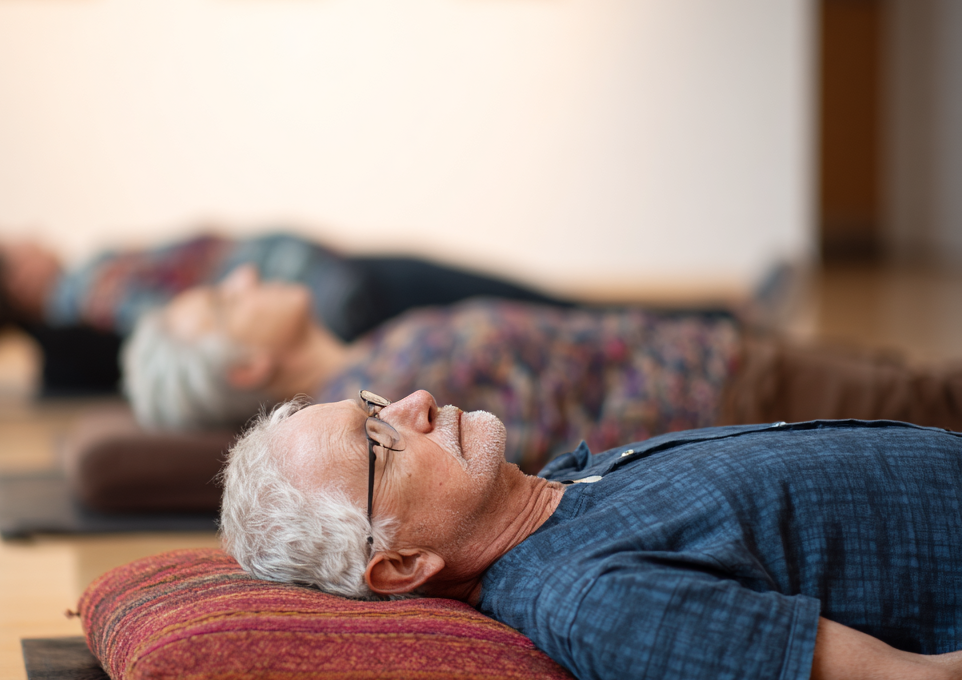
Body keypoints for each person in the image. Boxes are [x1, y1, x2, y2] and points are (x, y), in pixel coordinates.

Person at [219, 390, 962, 680]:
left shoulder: (564, 487)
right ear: (404, 564)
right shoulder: (594, 602)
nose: (417, 401)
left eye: (375, 403)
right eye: (380, 440)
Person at [123, 259, 962, 471]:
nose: (242, 278)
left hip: (716, 356)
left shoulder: (375, 348)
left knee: (917, 382)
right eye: (224, 303)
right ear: (246, 366)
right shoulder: (383, 399)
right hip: (725, 398)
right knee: (934, 399)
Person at [0, 230, 567, 394]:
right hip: (345, 291)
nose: (33, 236)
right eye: (16, 245)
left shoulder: (90, 293)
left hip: (333, 282)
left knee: (539, 317)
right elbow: (186, 335)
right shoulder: (95, 296)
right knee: (543, 314)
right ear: (16, 279)